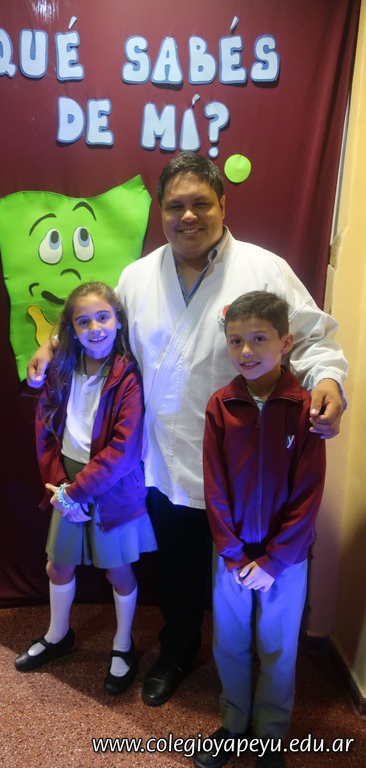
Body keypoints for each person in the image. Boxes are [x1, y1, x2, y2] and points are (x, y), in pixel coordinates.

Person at [26, 153, 347, 708]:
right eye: (176, 206)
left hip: (244, 466)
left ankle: (251, 684)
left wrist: (330, 383)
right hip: (162, 459)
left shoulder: (263, 269)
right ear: (161, 212)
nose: (188, 216)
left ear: (224, 205)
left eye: (201, 203)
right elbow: (101, 330)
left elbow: (313, 339)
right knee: (176, 569)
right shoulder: (137, 276)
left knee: (242, 575)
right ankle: (176, 652)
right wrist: (53, 345)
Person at [195, 291, 326, 768]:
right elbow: (214, 486)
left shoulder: (304, 408)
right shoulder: (221, 405)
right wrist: (231, 553)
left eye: (258, 339)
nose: (246, 351)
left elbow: (308, 494)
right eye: (236, 341)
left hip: (284, 561)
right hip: (232, 554)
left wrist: (274, 560)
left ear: (285, 342)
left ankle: (271, 733)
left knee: (278, 646)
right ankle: (233, 723)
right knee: (229, 642)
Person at [15, 282, 157, 695]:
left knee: (117, 571)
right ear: (72, 330)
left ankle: (123, 644)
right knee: (57, 567)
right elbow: (45, 427)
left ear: (118, 322)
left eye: (103, 318)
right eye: (83, 322)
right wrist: (61, 486)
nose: (95, 328)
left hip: (109, 487)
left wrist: (76, 493)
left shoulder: (128, 376)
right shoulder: (61, 367)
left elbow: (123, 450)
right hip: (65, 482)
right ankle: (58, 635)